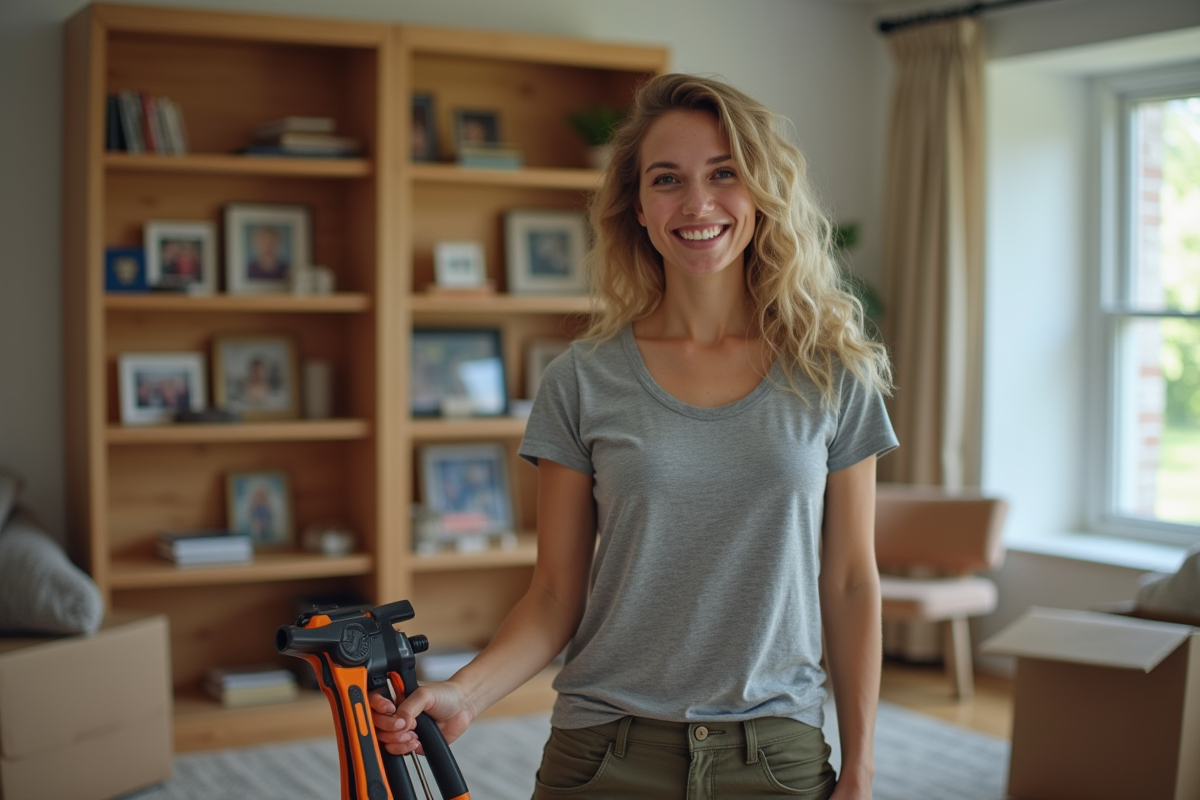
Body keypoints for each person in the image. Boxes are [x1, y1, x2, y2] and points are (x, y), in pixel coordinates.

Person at [371, 73, 897, 800]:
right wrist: (467, 691)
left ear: (762, 193)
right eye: (667, 179)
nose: (697, 203)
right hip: (604, 751)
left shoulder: (831, 373)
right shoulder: (581, 379)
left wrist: (861, 768)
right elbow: (555, 593)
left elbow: (850, 582)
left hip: (775, 754)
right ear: (639, 209)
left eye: (724, 173)